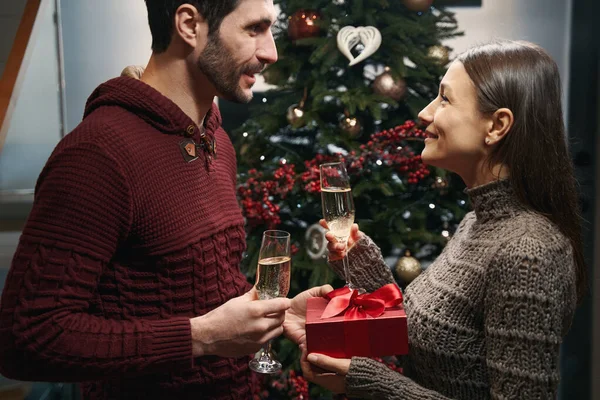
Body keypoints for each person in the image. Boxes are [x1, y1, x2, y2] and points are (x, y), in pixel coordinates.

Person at [0, 1, 331, 399]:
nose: (271, 51)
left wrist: (274, 314)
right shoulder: (98, 154)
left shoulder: (215, 141)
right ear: (189, 25)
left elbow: (195, 293)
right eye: (253, 29)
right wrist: (200, 338)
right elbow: (26, 338)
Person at [301, 40, 585, 399]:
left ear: (497, 125)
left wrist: (372, 383)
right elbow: (439, 335)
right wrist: (364, 267)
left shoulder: (527, 252)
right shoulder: (477, 223)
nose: (425, 113)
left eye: (445, 99)